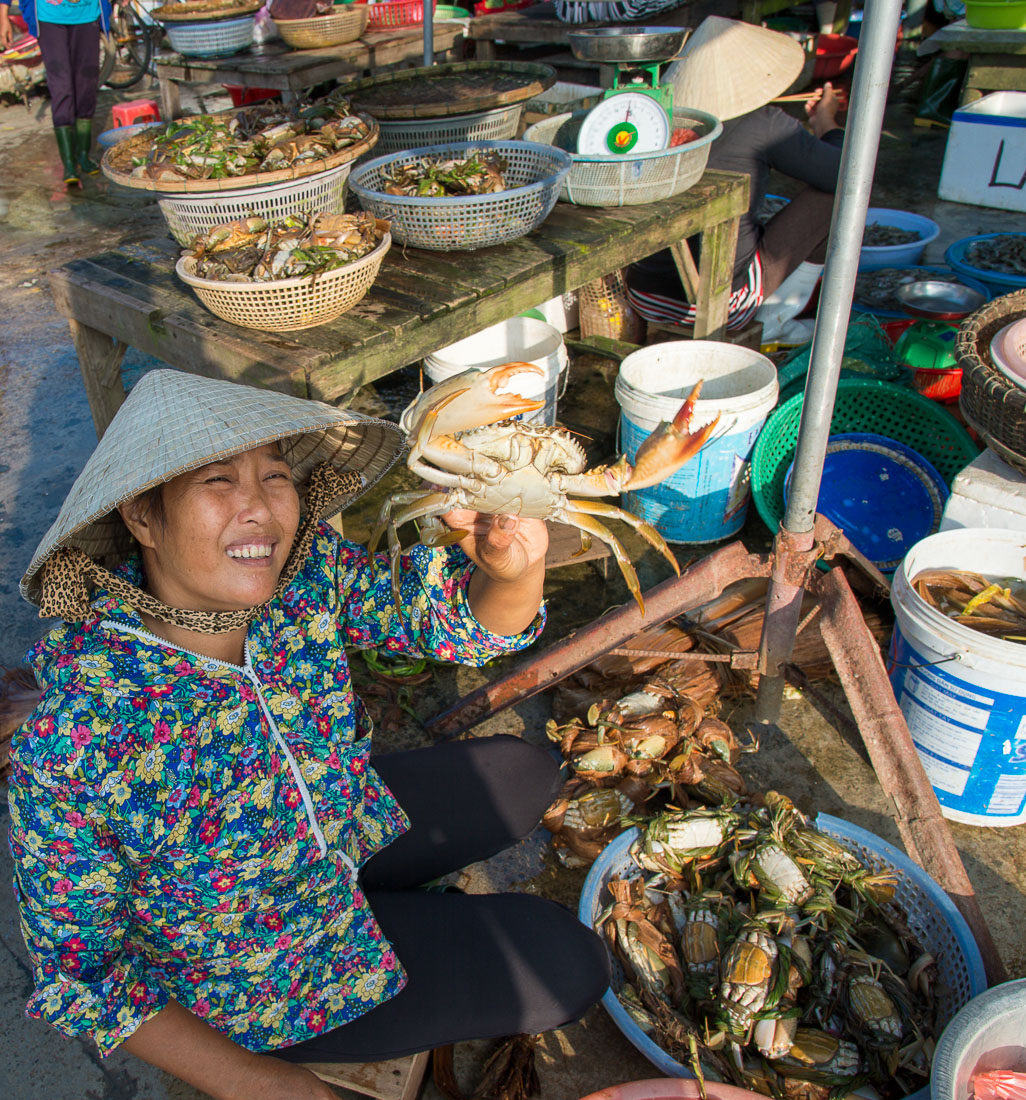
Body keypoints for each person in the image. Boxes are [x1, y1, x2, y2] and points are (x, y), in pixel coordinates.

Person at [9, 370, 610, 1100]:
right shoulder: (77, 734)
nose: (259, 508)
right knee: (568, 964)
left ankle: (380, 896)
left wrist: (517, 567)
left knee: (527, 771)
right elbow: (82, 975)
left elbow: (448, 617)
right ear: (142, 516)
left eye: (274, 475)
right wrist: (259, 1083)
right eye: (217, 480)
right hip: (252, 967)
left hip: (336, 824)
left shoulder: (302, 574)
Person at [624, 17, 845, 338]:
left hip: (643, 296)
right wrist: (828, 124)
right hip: (722, 306)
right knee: (838, 199)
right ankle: (773, 321)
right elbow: (846, 175)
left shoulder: (651, 117)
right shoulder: (764, 123)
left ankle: (776, 315)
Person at [0, 0, 112, 186]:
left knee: (87, 87)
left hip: (88, 16)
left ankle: (83, 155)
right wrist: (3, 15)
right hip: (49, 18)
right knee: (62, 88)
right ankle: (68, 163)